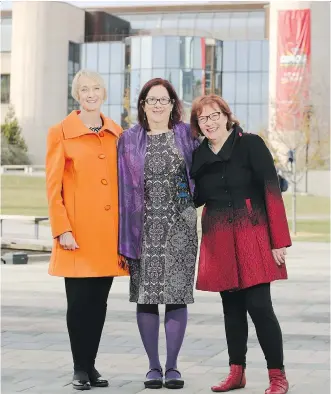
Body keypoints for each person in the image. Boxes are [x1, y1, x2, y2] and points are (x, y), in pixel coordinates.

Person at [189, 94, 291, 394]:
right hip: (218, 236)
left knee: (260, 307)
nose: (209, 122)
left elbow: (271, 190)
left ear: (226, 115)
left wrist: (279, 241)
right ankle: (237, 373)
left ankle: (277, 376)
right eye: (203, 119)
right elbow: (196, 198)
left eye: (214, 115)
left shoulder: (251, 144)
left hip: (253, 232)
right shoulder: (199, 156)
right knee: (231, 309)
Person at [45, 70, 128, 391]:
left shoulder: (117, 133)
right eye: (84, 89)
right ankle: (80, 368)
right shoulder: (60, 133)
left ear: (104, 93)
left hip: (108, 237)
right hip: (77, 236)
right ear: (76, 95)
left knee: (99, 304)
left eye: (95, 88)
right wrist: (62, 229)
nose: (90, 94)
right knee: (79, 304)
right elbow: (53, 188)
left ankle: (91, 365)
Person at [118, 78, 199, 389]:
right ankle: (153, 366)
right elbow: (120, 187)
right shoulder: (128, 140)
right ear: (142, 105)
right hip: (144, 228)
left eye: (163, 99)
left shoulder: (187, 136)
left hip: (181, 227)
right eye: (151, 99)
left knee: (177, 296)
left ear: (173, 104)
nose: (157, 105)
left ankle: (173, 367)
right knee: (147, 296)